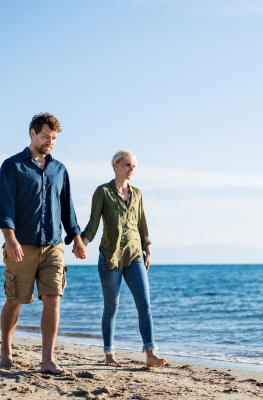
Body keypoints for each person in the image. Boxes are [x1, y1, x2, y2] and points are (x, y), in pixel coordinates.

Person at [0, 112, 87, 374]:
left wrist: (77, 239)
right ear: (32, 133)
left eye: (54, 138)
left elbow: (67, 209)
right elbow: (5, 208)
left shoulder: (60, 169)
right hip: (21, 245)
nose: (50, 141)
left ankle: (48, 360)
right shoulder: (12, 166)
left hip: (54, 246)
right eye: (46, 136)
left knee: (53, 299)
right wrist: (10, 239)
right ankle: (6, 353)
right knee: (16, 300)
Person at [81, 149, 166, 368]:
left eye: (134, 166)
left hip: (135, 255)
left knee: (144, 305)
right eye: (128, 165)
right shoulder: (102, 192)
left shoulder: (137, 193)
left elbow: (142, 223)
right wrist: (82, 243)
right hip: (110, 257)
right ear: (116, 165)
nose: (132, 170)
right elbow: (93, 224)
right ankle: (109, 355)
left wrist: (148, 249)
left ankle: (150, 354)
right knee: (111, 307)